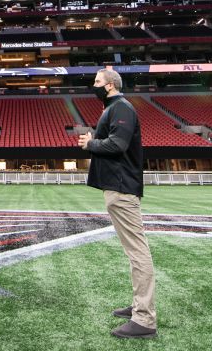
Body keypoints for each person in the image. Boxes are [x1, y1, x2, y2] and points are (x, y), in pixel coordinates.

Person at [77, 68, 157, 339]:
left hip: (122, 189)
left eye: (97, 82)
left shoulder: (121, 107)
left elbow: (118, 145)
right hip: (118, 188)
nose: (94, 85)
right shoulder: (114, 107)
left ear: (110, 85)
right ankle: (138, 306)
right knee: (133, 252)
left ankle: (144, 319)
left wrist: (91, 144)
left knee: (137, 252)